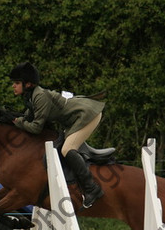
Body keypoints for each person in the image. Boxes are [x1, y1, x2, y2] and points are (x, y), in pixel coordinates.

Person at [8, 61, 105, 208]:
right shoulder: (31, 96)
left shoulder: (39, 96)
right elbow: (27, 117)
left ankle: (92, 188)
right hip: (75, 118)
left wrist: (18, 122)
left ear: (27, 84)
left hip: (87, 115)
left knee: (67, 149)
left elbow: (35, 128)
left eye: (16, 83)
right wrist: (11, 119)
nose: (13, 86)